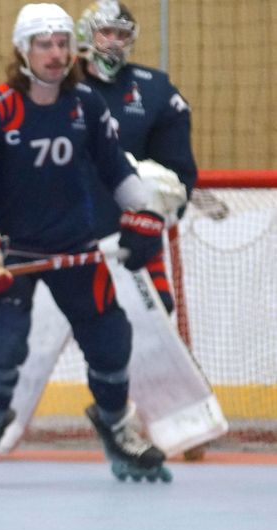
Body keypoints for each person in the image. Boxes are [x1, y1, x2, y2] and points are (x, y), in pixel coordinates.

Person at [0, 3, 172, 487]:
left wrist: (146, 213)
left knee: (111, 339)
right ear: (22, 50)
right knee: (0, 345)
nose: (56, 53)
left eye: (63, 43)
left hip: (76, 249)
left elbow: (116, 169)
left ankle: (115, 425)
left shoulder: (87, 105)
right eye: (44, 44)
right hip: (16, 252)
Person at [77, 0, 198, 312]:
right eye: (106, 32)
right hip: (61, 241)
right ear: (84, 34)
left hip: (131, 243)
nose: (115, 42)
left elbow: (176, 177)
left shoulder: (155, 91)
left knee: (147, 330)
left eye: (122, 34)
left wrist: (153, 217)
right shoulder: (55, 89)